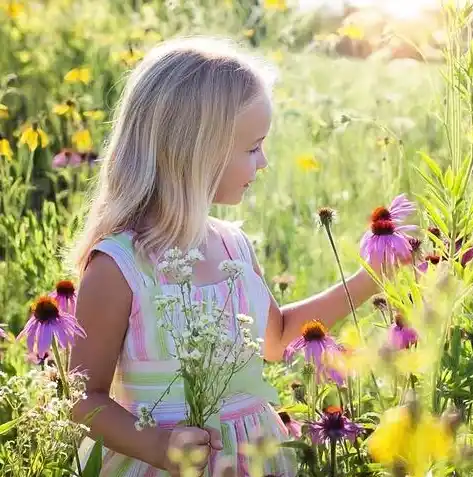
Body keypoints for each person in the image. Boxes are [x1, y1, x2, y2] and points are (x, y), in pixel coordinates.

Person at [69, 36, 380, 476]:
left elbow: (277, 339)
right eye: (253, 148)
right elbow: (84, 398)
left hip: (255, 457)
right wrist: (158, 445)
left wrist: (372, 276)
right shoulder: (119, 267)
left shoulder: (234, 246)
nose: (265, 162)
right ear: (195, 153)